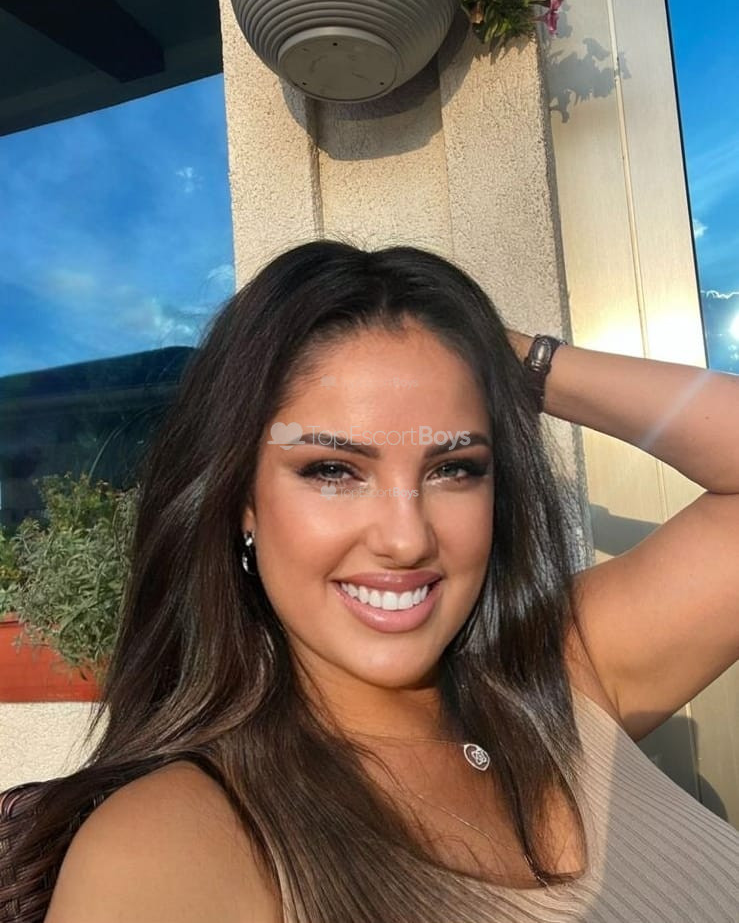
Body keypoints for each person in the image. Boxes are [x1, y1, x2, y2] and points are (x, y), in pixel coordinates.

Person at [1, 240, 737, 923]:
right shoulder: (170, 849)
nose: (406, 537)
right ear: (242, 502)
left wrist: (505, 355)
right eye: (332, 469)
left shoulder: (564, 676)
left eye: (454, 467)